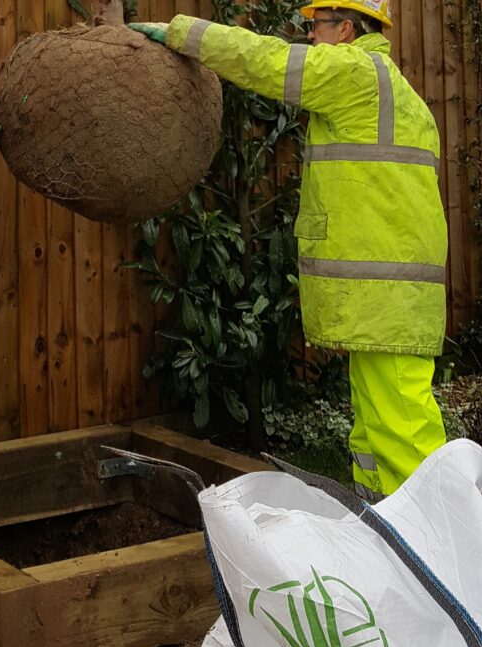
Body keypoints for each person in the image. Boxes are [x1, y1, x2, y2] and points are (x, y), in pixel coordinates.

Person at [131, 1, 447, 502]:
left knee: (403, 425)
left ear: (346, 29)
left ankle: (438, 541)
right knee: (377, 422)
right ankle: (382, 517)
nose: (308, 36)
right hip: (392, 294)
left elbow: (267, 61)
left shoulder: (353, 72)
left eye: (315, 27)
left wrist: (181, 33)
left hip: (387, 294)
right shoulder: (392, 92)